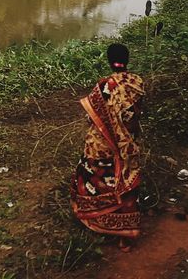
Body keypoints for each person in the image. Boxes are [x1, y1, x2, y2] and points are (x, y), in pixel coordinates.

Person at [71, 42, 144, 241]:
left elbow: (93, 115)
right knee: (126, 181)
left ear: (109, 61)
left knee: (89, 172)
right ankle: (128, 230)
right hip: (129, 143)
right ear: (127, 60)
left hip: (106, 145)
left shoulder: (105, 85)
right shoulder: (137, 82)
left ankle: (102, 222)